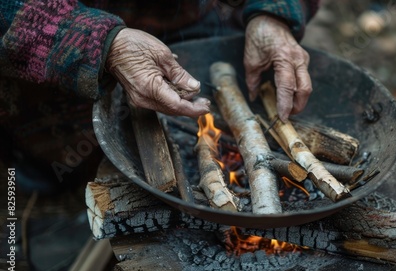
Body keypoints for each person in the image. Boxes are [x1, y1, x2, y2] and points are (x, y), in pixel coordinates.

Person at [0, 0, 319, 191]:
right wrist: (101, 43)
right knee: (61, 158)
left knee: (216, 64)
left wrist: (272, 13)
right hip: (60, 24)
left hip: (187, 13)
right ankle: (45, 168)